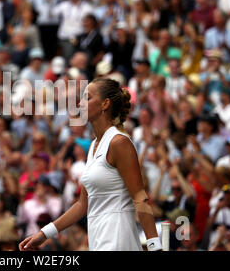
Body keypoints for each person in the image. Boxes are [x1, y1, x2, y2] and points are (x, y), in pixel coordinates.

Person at [20, 78, 160, 251]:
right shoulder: (94, 145)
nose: (80, 103)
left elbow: (140, 198)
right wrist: (43, 234)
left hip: (118, 238)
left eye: (87, 98)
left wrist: (155, 247)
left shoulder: (119, 142)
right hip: (97, 238)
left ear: (105, 104)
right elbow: (82, 204)